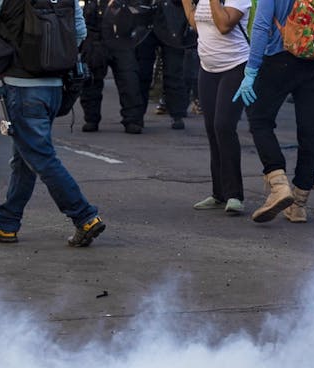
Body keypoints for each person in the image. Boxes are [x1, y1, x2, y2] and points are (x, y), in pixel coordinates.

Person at [0, 0, 106, 247]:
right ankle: (6, 224)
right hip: (55, 86)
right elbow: (80, 32)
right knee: (25, 158)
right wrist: (50, 60)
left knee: (40, 157)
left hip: (22, 87)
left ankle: (85, 216)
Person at [233, 0, 314, 223]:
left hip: (278, 60)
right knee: (309, 132)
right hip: (313, 63)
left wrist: (251, 70)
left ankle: (278, 184)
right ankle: (299, 204)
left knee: (259, 119)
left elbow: (262, 26)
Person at [182, 0, 250, 215]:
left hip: (236, 66)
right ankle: (219, 194)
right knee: (212, 129)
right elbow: (196, 23)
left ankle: (234, 195)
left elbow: (223, 25)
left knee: (224, 126)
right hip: (208, 69)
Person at [80, 0, 146, 134]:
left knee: (129, 79)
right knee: (91, 80)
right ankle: (91, 118)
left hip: (122, 36)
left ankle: (132, 119)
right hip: (95, 35)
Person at [136, 0, 194, 130]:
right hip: (148, 17)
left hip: (171, 19)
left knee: (174, 72)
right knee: (142, 72)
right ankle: (137, 116)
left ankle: (177, 113)